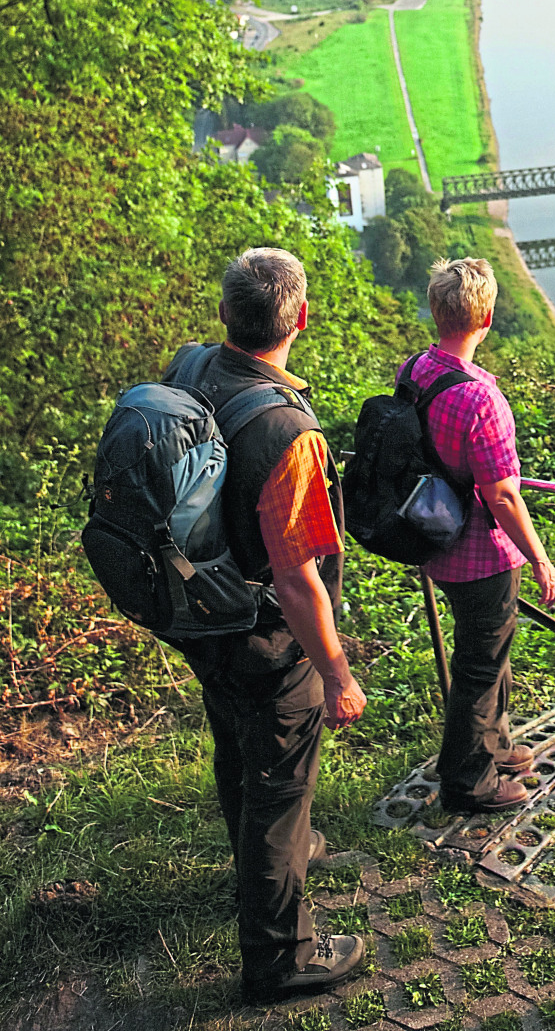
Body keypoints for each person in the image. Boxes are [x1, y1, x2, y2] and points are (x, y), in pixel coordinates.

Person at [163, 247, 368, 1008]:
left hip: (200, 614)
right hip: (265, 638)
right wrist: (339, 675)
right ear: (301, 318)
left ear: (224, 315)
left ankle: (261, 866)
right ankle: (279, 959)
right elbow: (295, 576)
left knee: (236, 747)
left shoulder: (190, 372)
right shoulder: (288, 431)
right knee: (282, 781)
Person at [411, 257, 555, 814]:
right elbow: (502, 496)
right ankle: (467, 781)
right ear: (488, 317)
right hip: (481, 556)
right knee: (479, 666)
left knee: (485, 656)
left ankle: (495, 746)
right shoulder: (482, 400)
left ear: (437, 311)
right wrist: (541, 559)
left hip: (435, 541)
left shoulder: (416, 370)